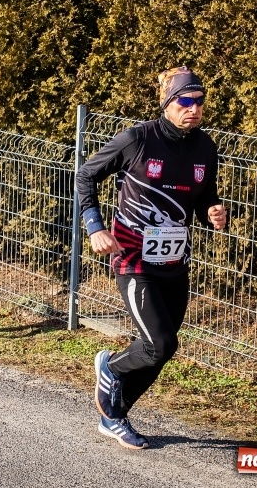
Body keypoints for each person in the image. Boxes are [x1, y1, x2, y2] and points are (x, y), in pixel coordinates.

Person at [75, 66, 227, 449]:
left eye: (200, 101)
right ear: (167, 103)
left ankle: (114, 415)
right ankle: (109, 367)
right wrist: (94, 227)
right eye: (185, 101)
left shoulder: (205, 147)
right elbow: (85, 175)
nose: (194, 108)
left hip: (174, 262)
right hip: (133, 259)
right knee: (158, 344)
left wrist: (212, 211)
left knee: (162, 349)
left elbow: (204, 194)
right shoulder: (137, 139)